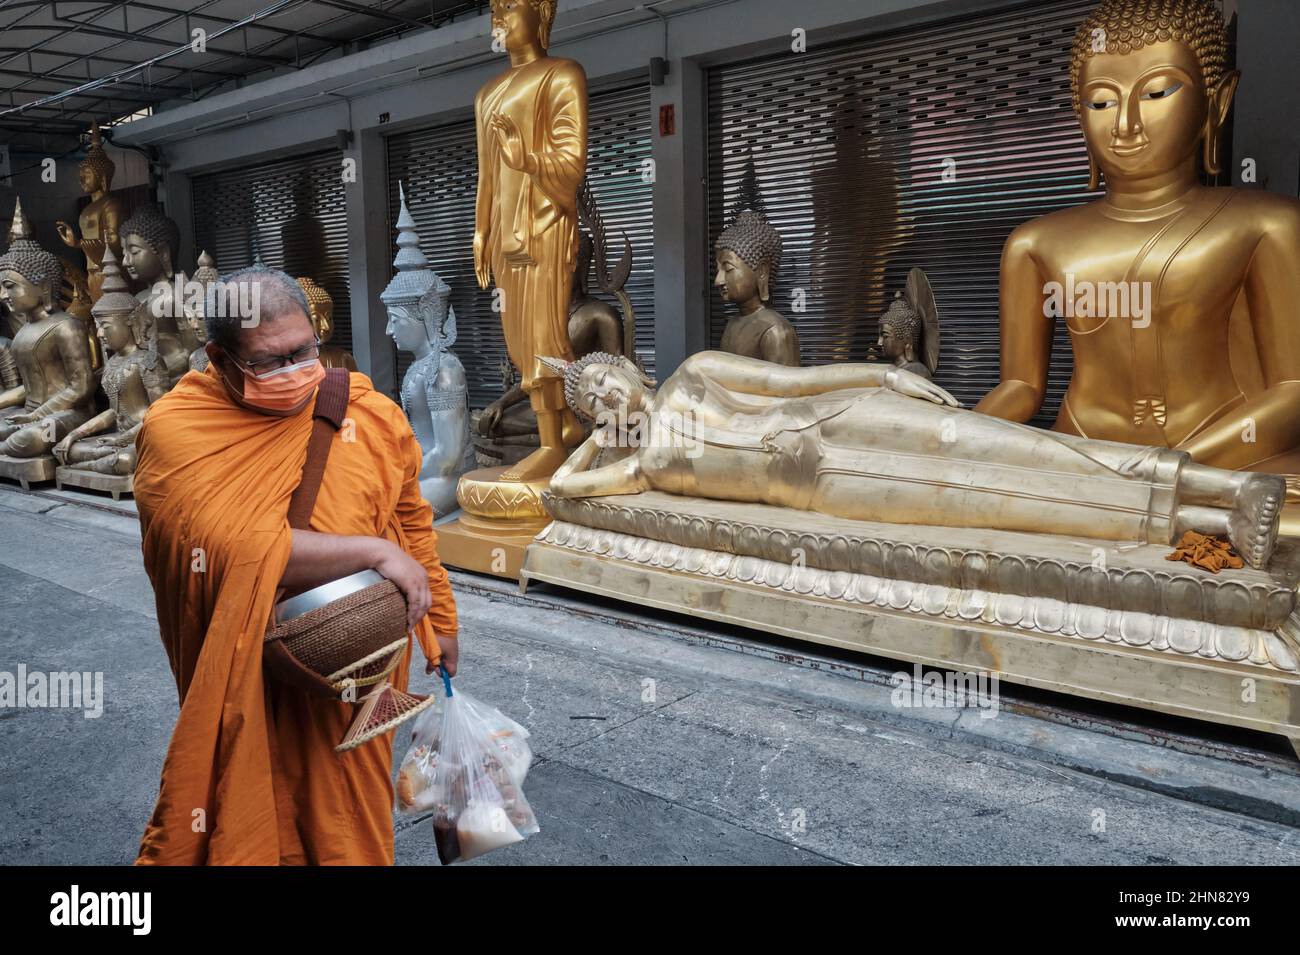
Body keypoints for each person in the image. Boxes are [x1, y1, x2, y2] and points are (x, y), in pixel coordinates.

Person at [133, 265, 459, 865]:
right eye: (267, 361)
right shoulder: (180, 429)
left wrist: (440, 622)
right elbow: (231, 546)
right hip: (256, 664)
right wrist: (371, 552)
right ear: (219, 356)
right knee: (255, 808)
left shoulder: (368, 410)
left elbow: (411, 522)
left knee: (348, 821)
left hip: (363, 665)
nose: (292, 371)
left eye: (301, 351)